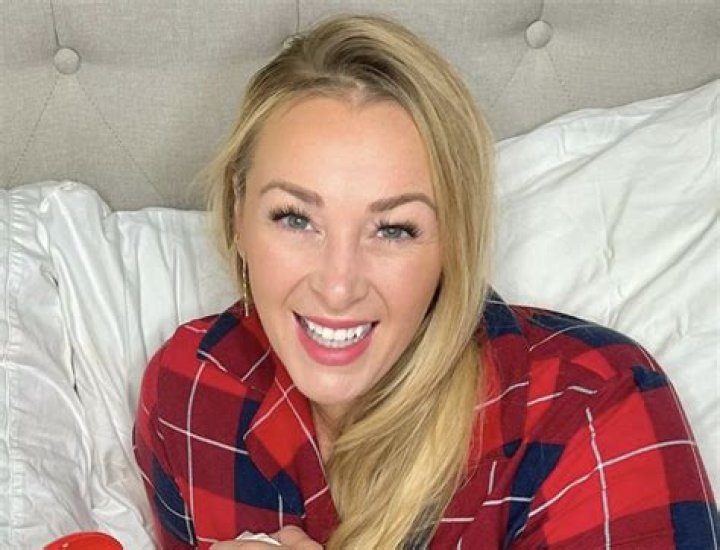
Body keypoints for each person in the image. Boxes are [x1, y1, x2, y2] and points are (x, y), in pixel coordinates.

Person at [133, 14, 718, 550]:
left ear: (452, 240)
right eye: (295, 218)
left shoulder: (596, 406)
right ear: (238, 213)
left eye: (394, 229)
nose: (338, 285)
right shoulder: (191, 390)